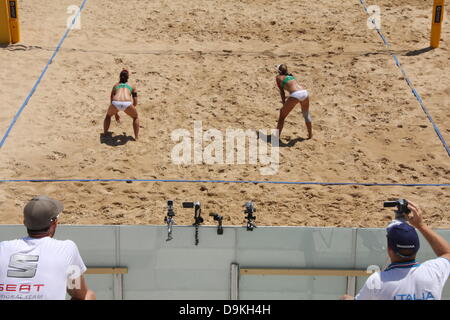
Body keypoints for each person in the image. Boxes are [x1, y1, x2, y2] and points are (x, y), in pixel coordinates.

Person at [341, 200, 450, 300]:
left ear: (389, 250)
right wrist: (421, 225)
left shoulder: (377, 281)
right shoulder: (433, 272)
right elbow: (447, 253)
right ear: (417, 247)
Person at [0, 196, 96, 300]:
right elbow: (79, 293)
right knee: (88, 295)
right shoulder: (67, 249)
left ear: (25, 223)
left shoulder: (3, 247)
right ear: (54, 223)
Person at [275, 64, 312, 140]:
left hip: (295, 94)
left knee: (282, 115)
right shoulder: (291, 76)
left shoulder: (278, 77)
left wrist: (284, 102)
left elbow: (282, 92)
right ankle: (310, 134)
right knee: (306, 114)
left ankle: (276, 137)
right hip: (304, 92)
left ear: (279, 71)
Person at [104, 69, 140, 140]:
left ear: (119, 77)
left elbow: (112, 99)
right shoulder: (132, 86)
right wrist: (130, 108)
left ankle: (105, 133)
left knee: (108, 116)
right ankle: (136, 137)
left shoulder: (115, 85)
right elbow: (135, 102)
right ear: (128, 78)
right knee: (135, 117)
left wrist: (116, 113)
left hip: (115, 102)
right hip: (127, 103)